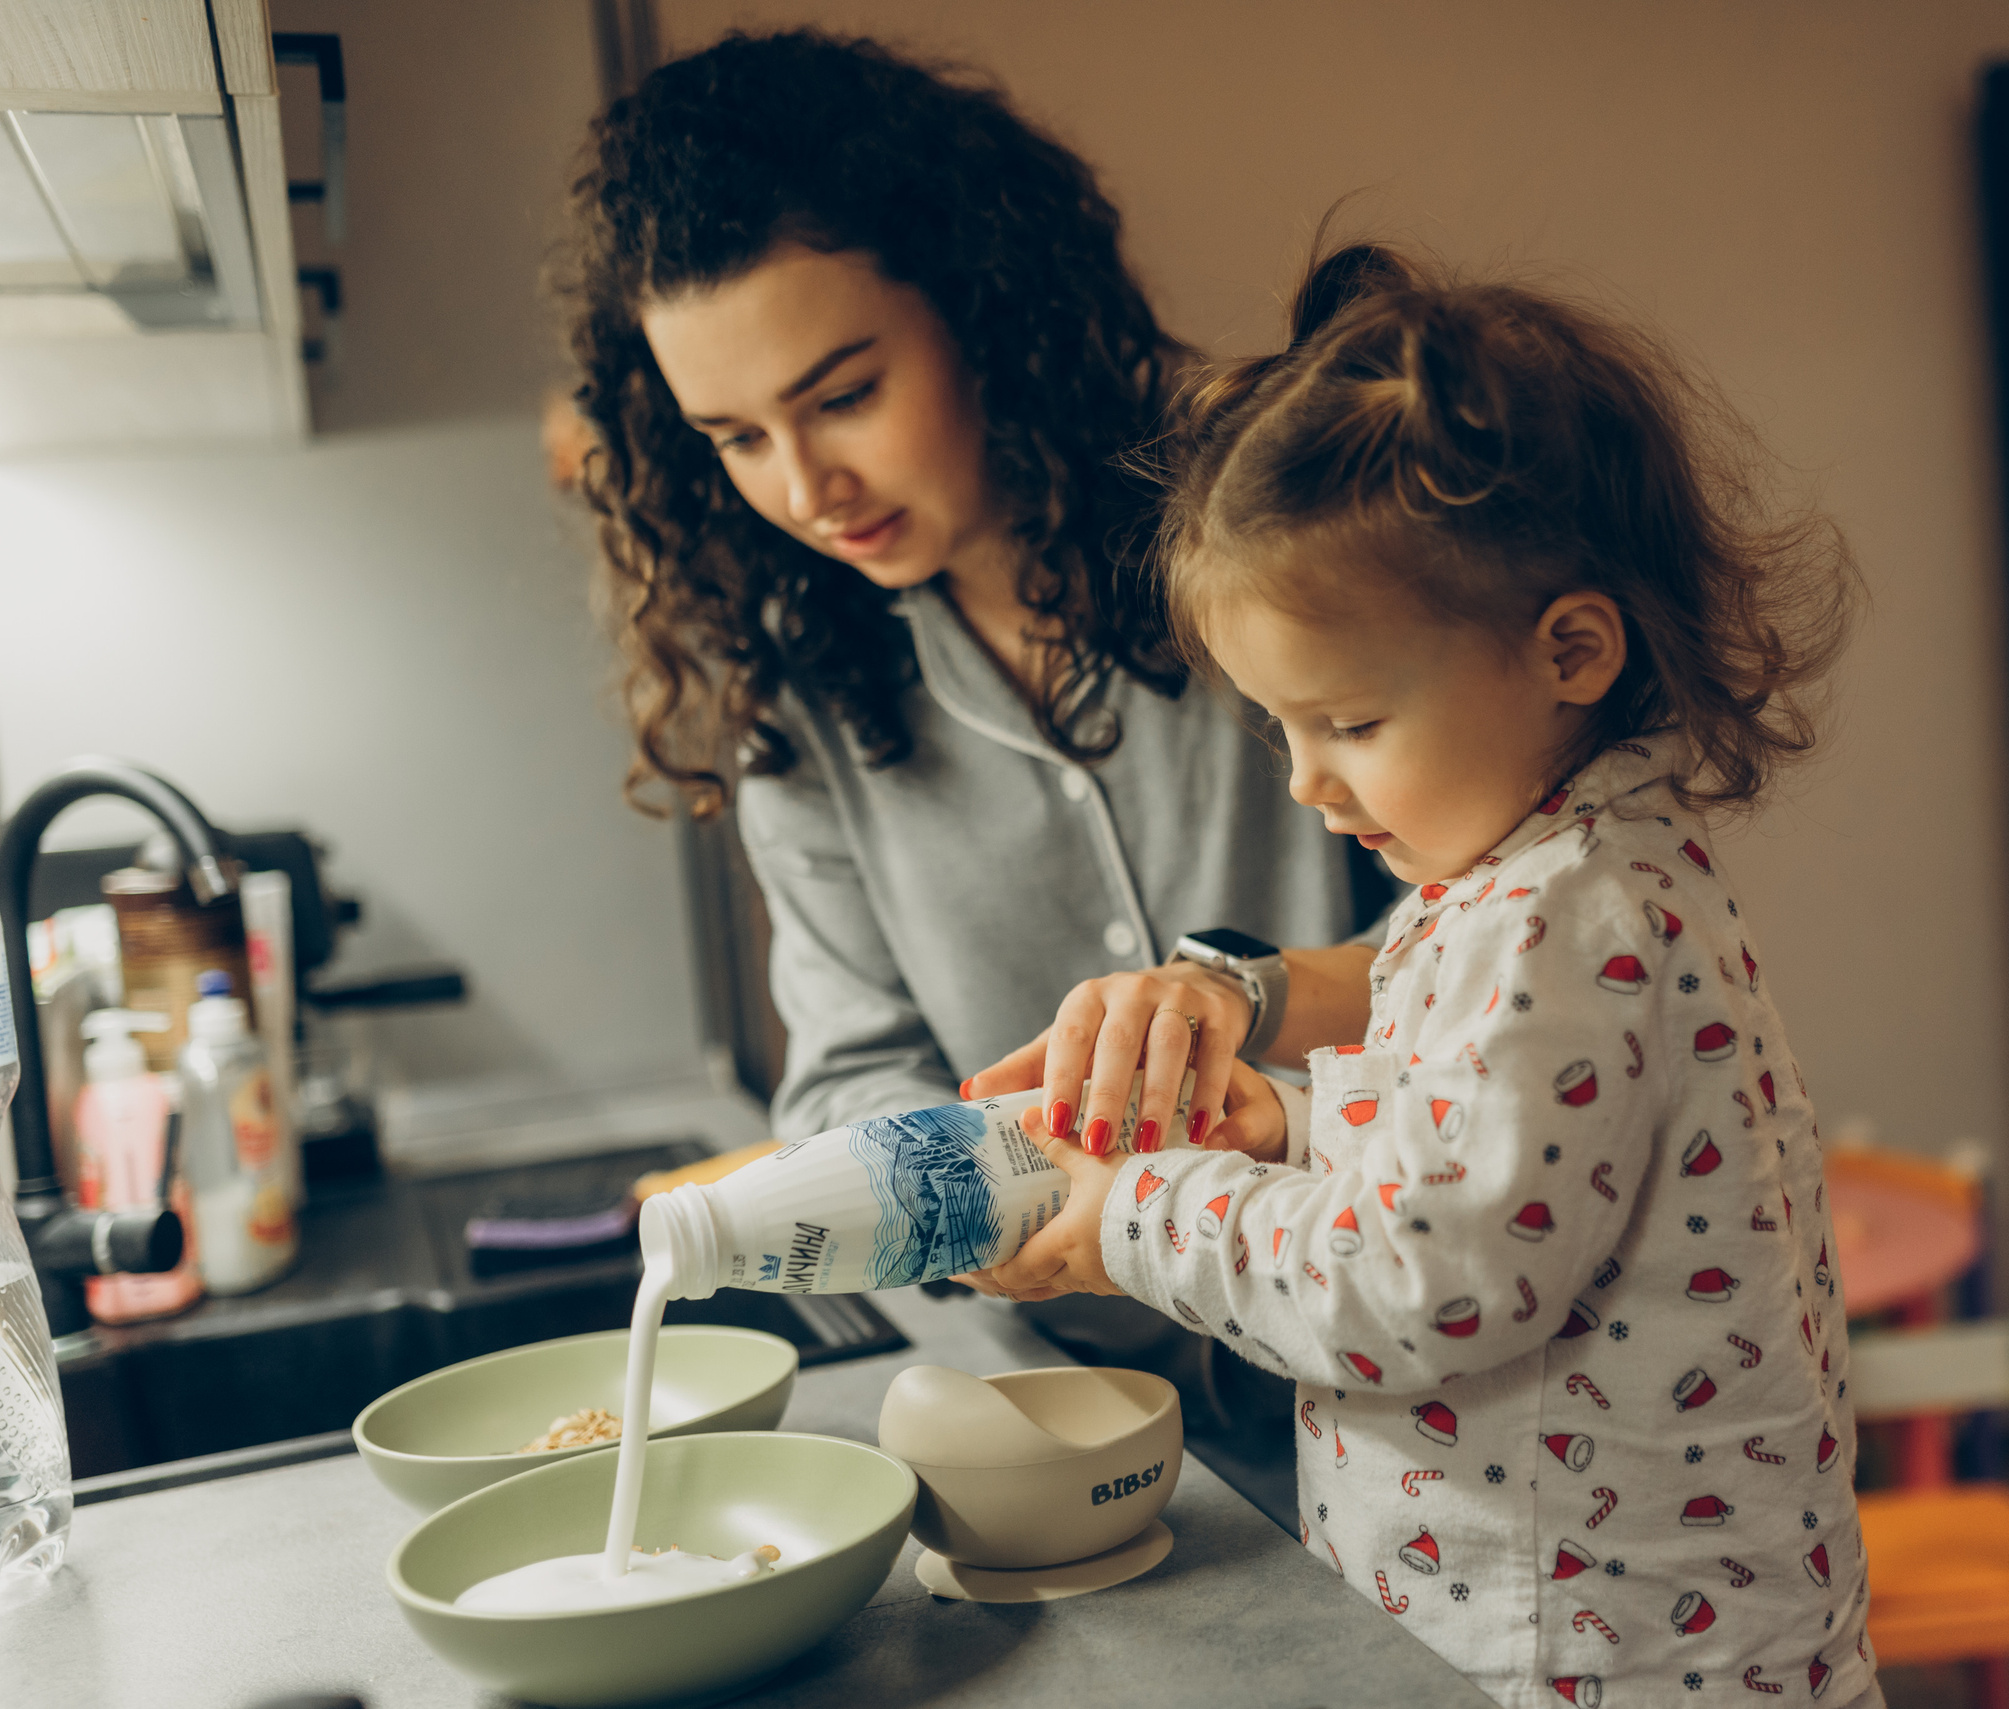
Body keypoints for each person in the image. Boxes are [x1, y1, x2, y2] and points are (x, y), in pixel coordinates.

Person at [985, 242, 1878, 1708]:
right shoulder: (1541, 867)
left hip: (1613, 1668)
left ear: (1570, 648)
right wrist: (1270, 1097)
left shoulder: (1567, 916)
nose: (1307, 784)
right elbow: (1470, 1113)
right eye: (1281, 730)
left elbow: (1418, 1282)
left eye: (1343, 721)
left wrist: (1136, 1216)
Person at [554, 31, 1392, 1175]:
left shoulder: (1267, 533)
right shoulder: (800, 711)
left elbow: (1500, 931)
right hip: (1041, 1344)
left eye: (844, 396)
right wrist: (1000, 1189)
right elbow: (850, 1074)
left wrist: (1249, 999)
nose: (805, 490)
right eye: (738, 438)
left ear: (978, 311)